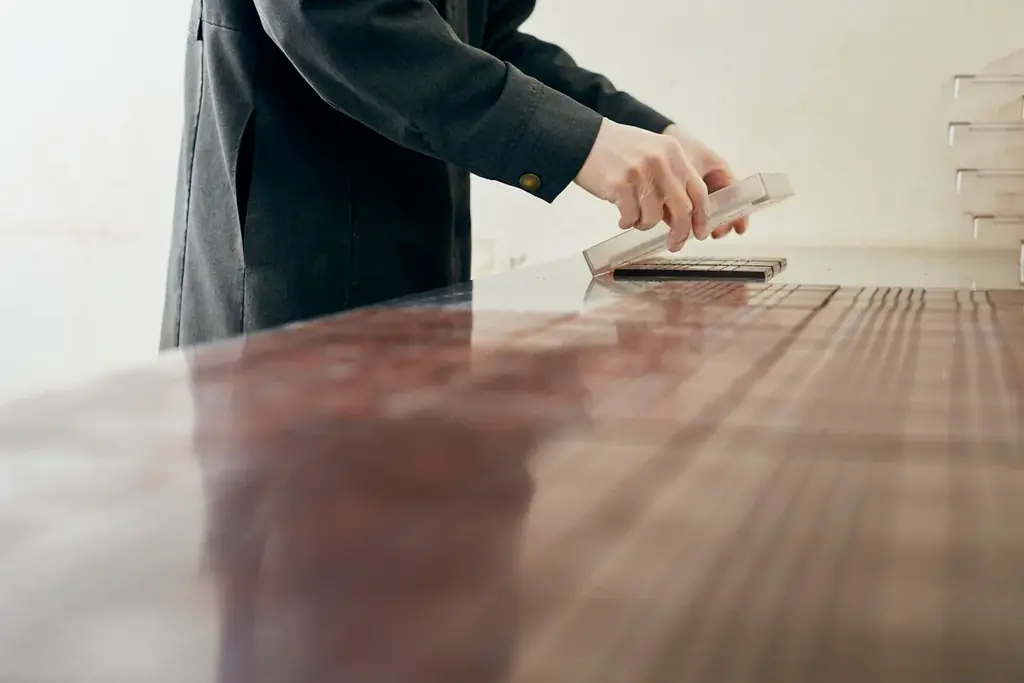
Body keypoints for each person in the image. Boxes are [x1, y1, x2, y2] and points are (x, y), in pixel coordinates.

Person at [159, 0, 749, 350]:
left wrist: (650, 133)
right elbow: (338, 17)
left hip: (417, 276)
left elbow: (486, 40)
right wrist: (581, 143)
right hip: (289, 278)